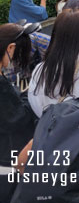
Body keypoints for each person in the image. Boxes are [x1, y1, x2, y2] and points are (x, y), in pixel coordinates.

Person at [0, 22, 38, 194]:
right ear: (10, 47)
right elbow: (17, 119)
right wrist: (29, 95)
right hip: (6, 162)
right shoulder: (1, 84)